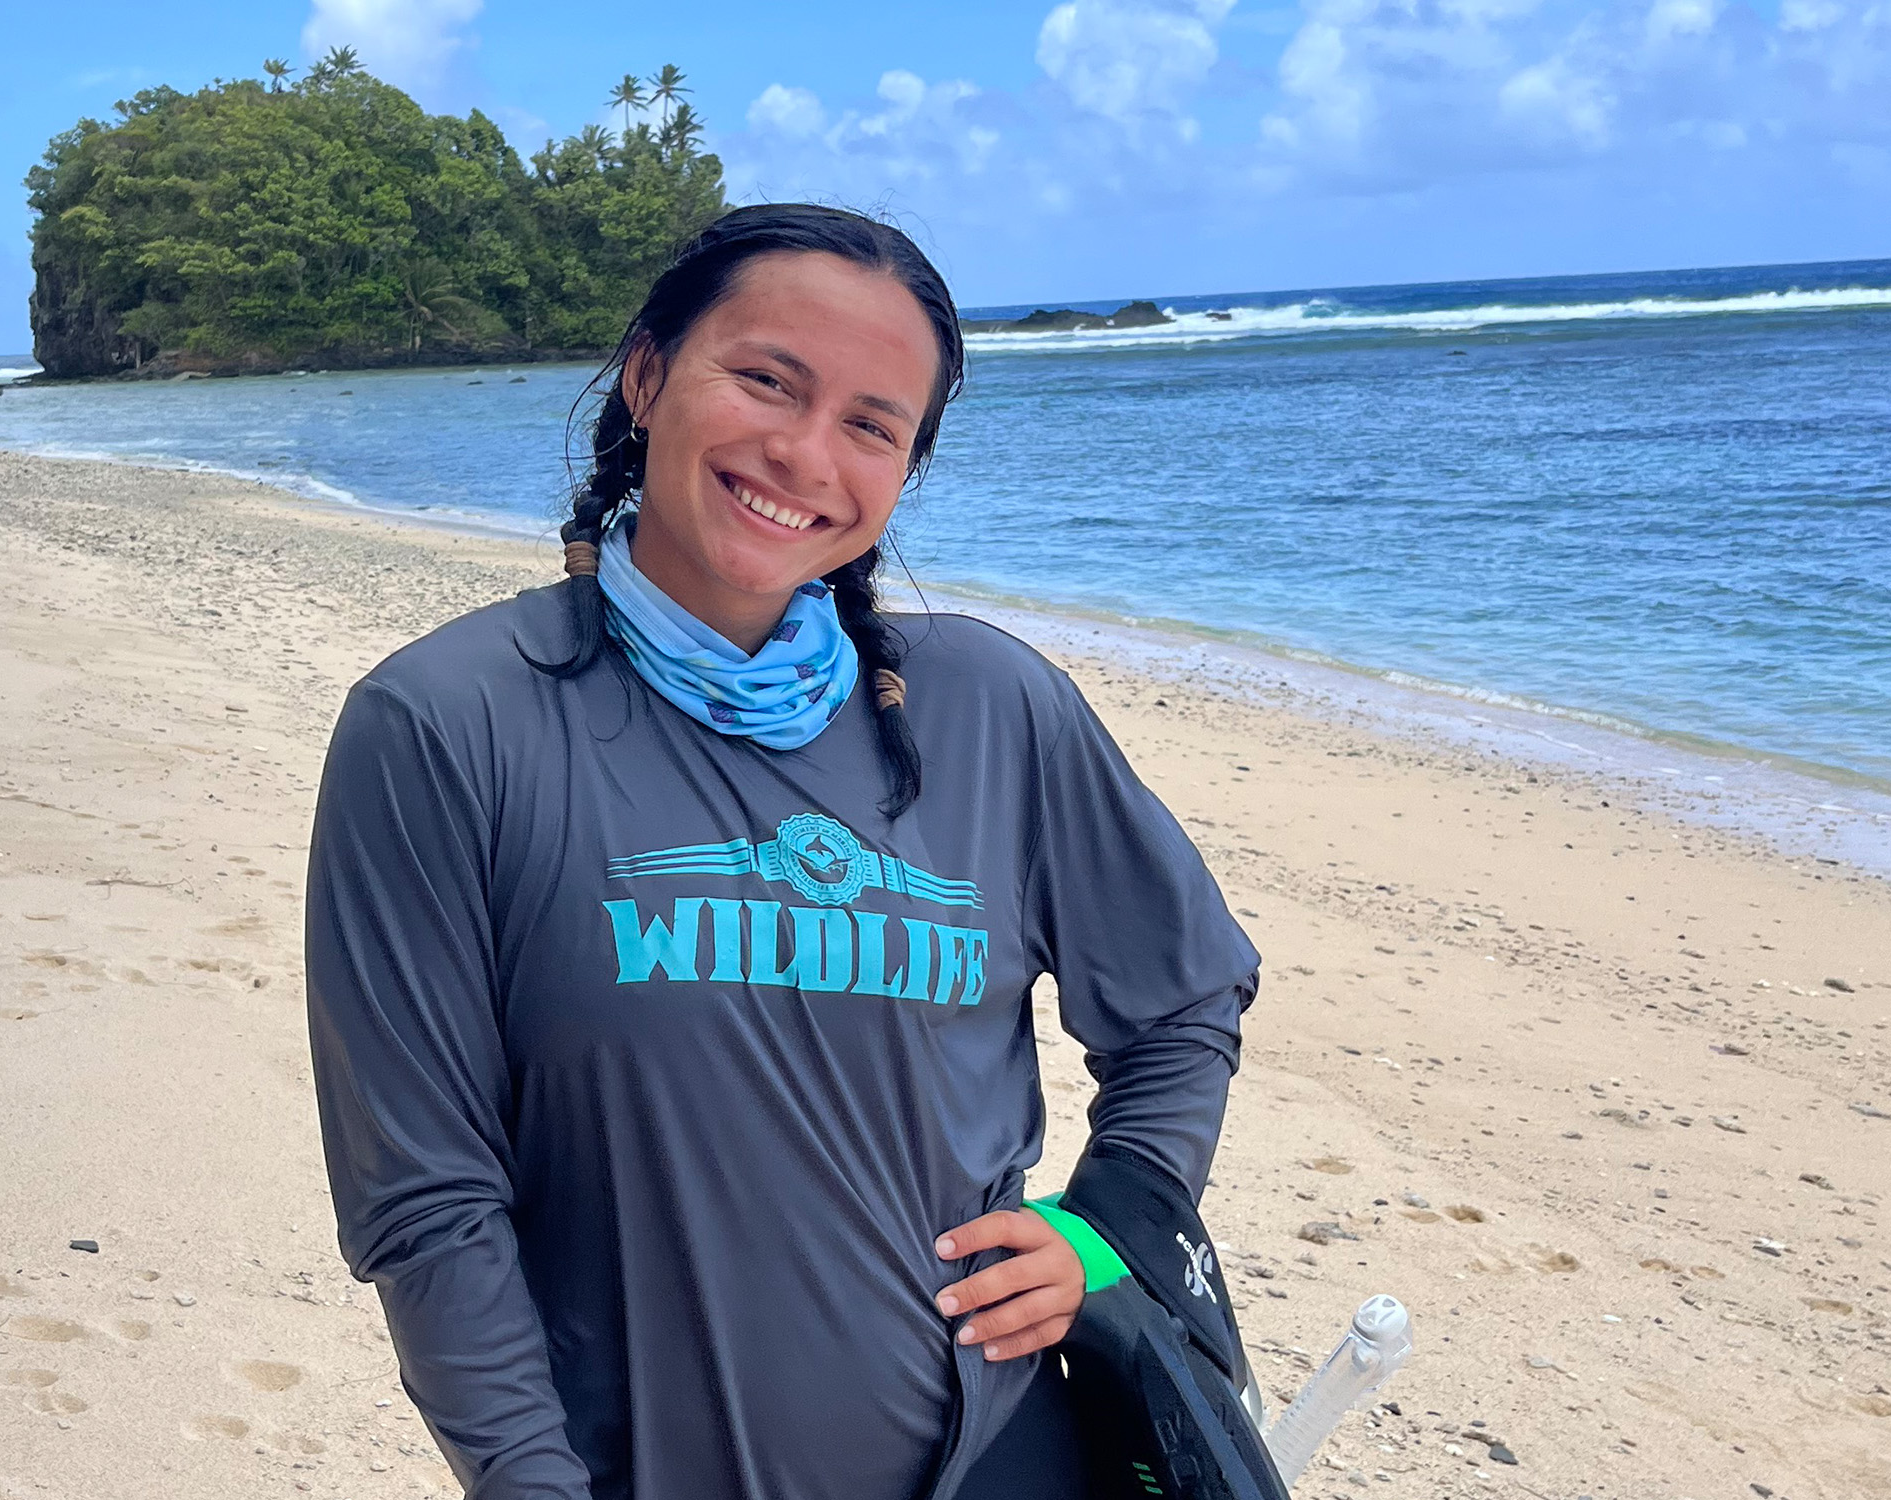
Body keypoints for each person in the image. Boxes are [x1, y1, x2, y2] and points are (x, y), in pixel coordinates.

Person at [305, 203, 1259, 1500]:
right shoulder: (447, 725)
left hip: (1002, 1459)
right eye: (766, 380)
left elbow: (1184, 998)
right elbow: (427, 1201)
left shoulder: (991, 708)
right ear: (649, 376)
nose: (806, 454)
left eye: (872, 425)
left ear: (904, 469)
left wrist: (1104, 1231)